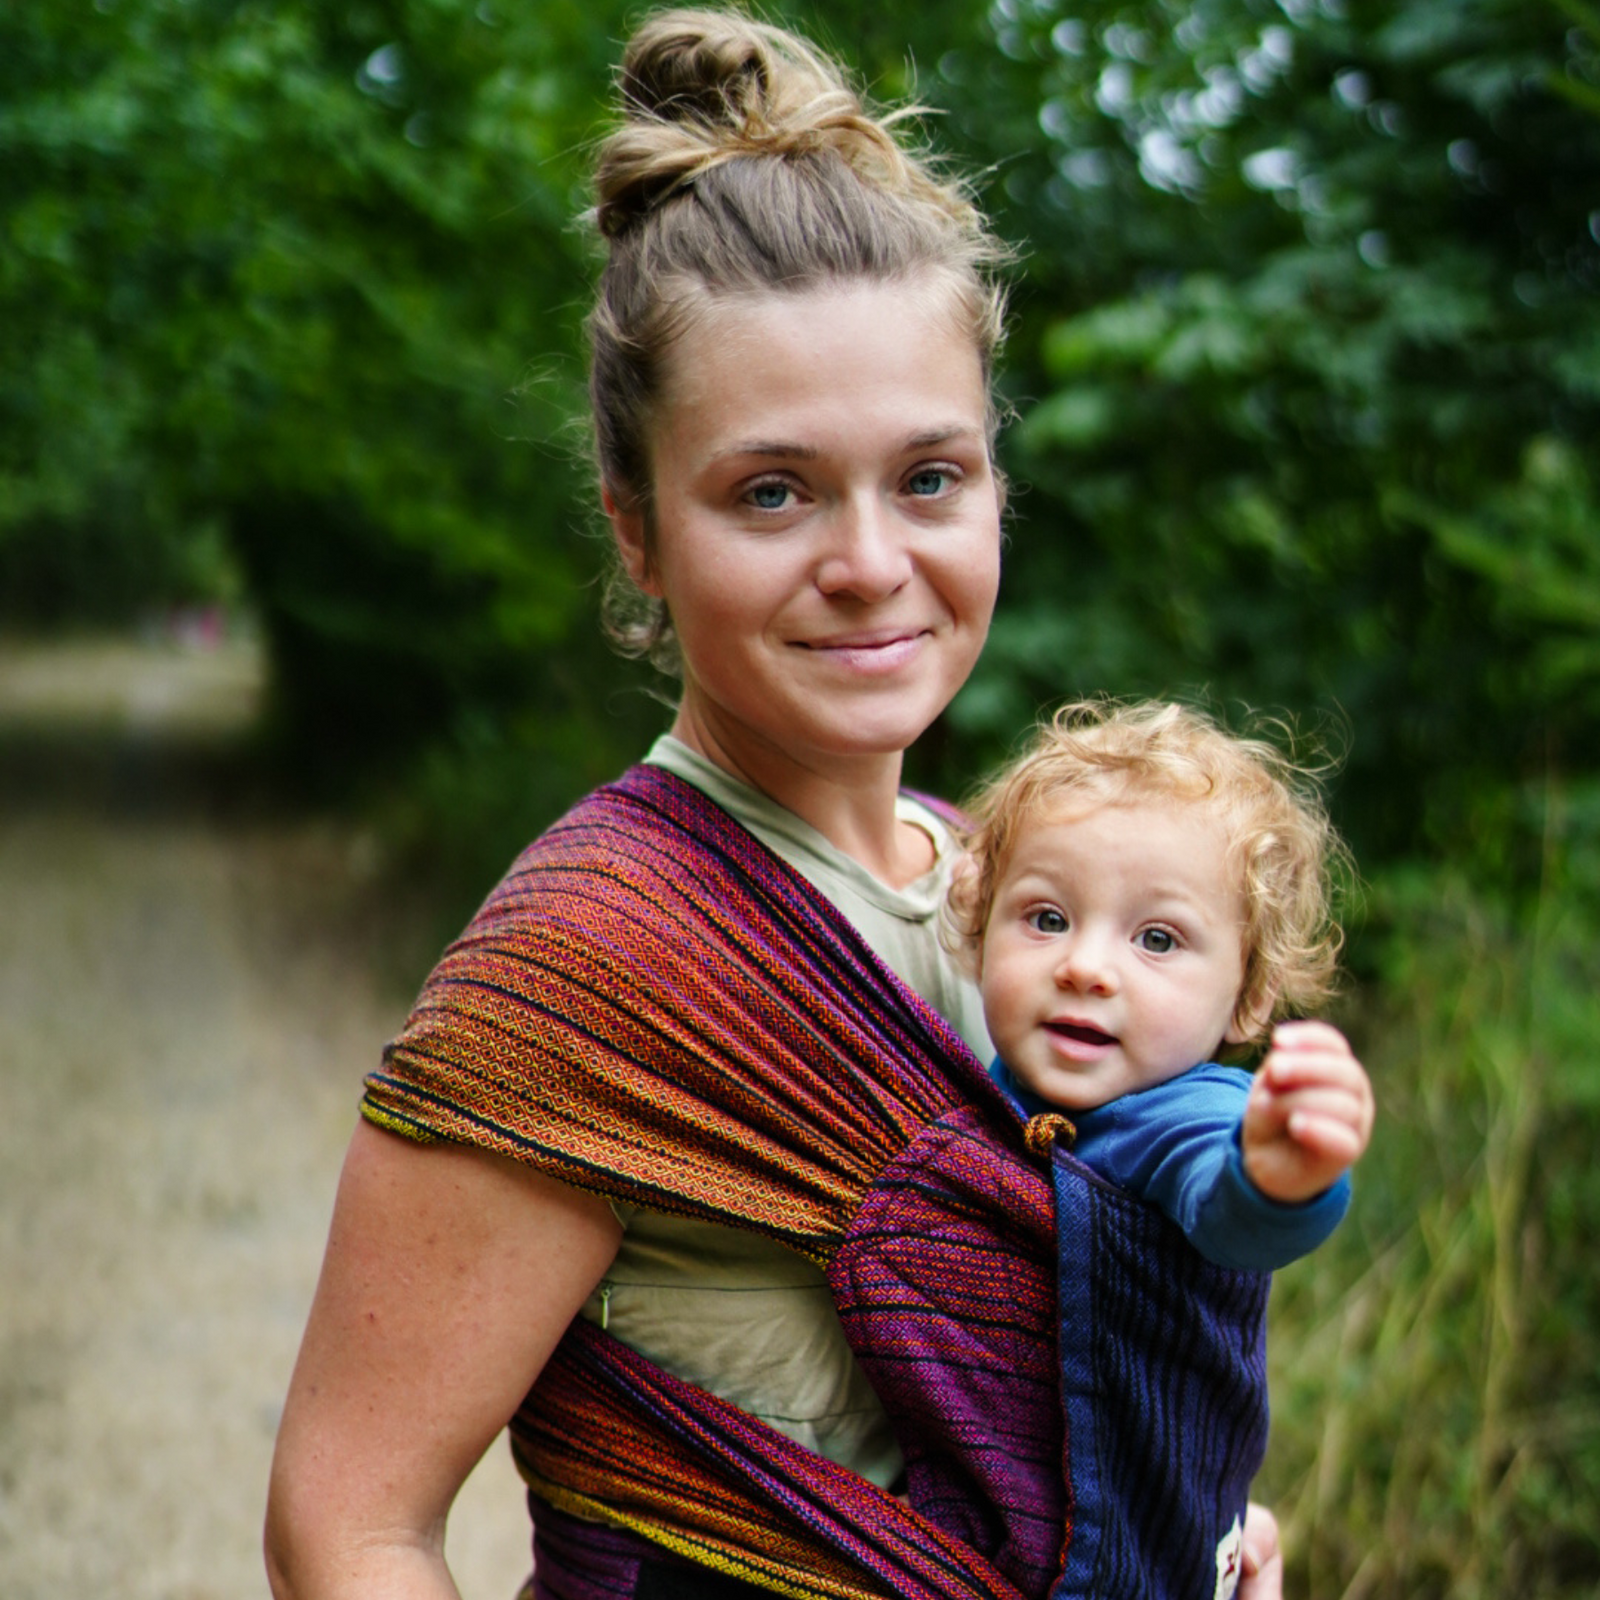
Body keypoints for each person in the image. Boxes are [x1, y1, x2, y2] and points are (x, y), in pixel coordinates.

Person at [264, 11, 1286, 1599]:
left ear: (998, 486)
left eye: (930, 477)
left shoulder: (1024, 909)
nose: (872, 563)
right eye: (771, 490)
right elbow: (351, 1528)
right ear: (637, 534)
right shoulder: (596, 959)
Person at [947, 698, 1374, 1595]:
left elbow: (1226, 1205)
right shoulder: (977, 1089)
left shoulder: (1182, 1114)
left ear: (1249, 995)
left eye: (1157, 939)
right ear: (980, 932)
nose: (1087, 966)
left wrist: (1282, 1174)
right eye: (1047, 918)